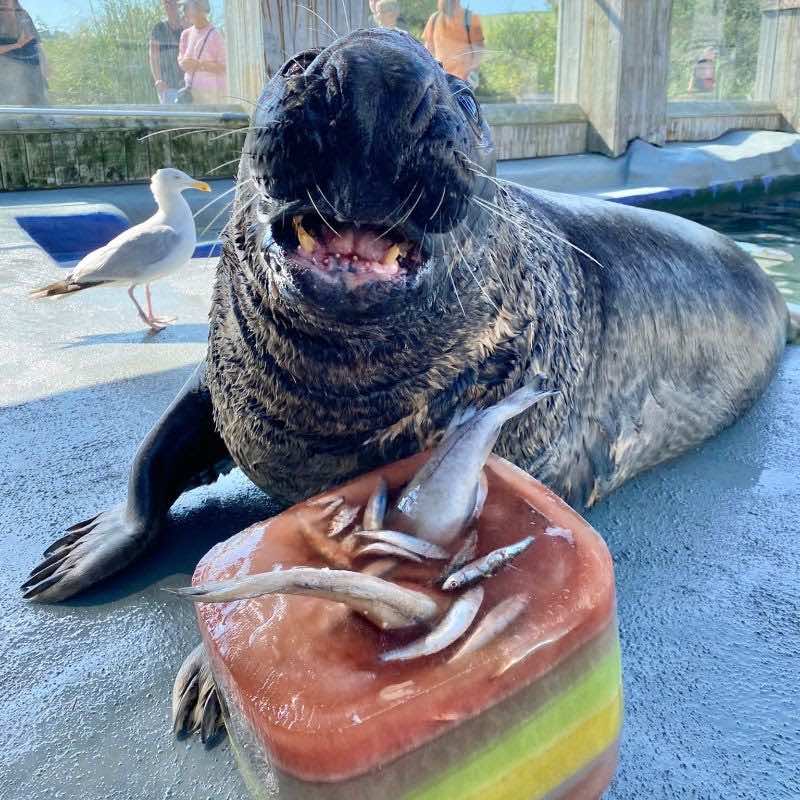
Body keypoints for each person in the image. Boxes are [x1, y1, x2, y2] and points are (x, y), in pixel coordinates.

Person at [422, 0, 484, 85]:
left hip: (463, 82)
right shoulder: (434, 19)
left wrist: (473, 74)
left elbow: (479, 50)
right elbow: (428, 49)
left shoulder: (470, 17)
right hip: (441, 81)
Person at [177, 0, 226, 105]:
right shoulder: (185, 35)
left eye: (187, 7)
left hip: (211, 95)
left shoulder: (216, 35)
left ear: (200, 8)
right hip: (190, 94)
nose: (184, 11)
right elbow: (181, 62)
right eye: (183, 8)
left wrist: (199, 64)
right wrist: (185, 63)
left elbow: (223, 67)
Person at [0, 0, 47, 106]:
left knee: (39, 109)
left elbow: (36, 42)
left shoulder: (23, 15)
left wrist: (44, 65)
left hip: (32, 74)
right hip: (6, 76)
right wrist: (17, 45)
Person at [149, 0, 186, 104]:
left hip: (187, 85)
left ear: (179, 4)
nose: (170, 5)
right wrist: (158, 80)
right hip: (167, 86)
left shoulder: (188, 28)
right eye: (167, 2)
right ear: (163, 5)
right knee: (171, 119)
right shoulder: (158, 28)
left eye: (173, 2)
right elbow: (153, 57)